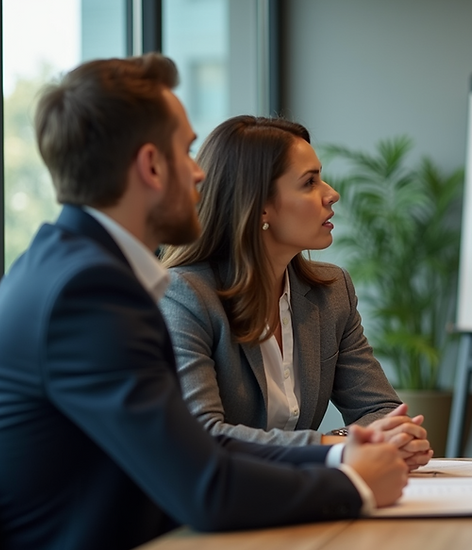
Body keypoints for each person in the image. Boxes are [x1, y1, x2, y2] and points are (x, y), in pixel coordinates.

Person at [0, 54, 408, 550]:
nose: (201, 175)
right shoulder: (88, 292)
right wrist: (351, 482)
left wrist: (340, 459)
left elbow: (198, 454)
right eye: (186, 151)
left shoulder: (74, 270)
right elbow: (205, 486)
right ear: (151, 166)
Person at [157, 116, 432, 470]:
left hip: (304, 499)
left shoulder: (332, 292)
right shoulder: (185, 296)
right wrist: (337, 447)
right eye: (309, 182)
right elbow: (205, 435)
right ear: (260, 207)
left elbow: (380, 411)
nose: (332, 194)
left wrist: (377, 439)